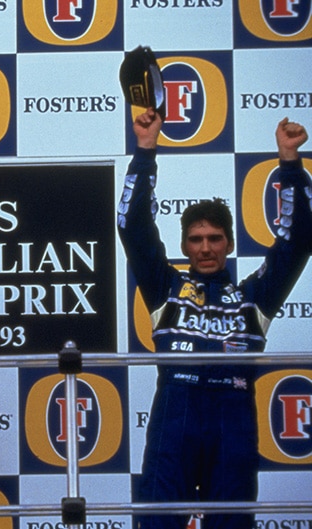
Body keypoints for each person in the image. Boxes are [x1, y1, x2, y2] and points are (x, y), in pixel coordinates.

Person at [117, 109, 311, 529]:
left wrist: (290, 162)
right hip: (174, 423)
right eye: (196, 239)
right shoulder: (163, 287)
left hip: (233, 427)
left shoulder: (253, 296)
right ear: (184, 245)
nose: (205, 248)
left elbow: (299, 242)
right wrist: (145, 149)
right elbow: (132, 228)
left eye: (215, 238)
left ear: (228, 243)